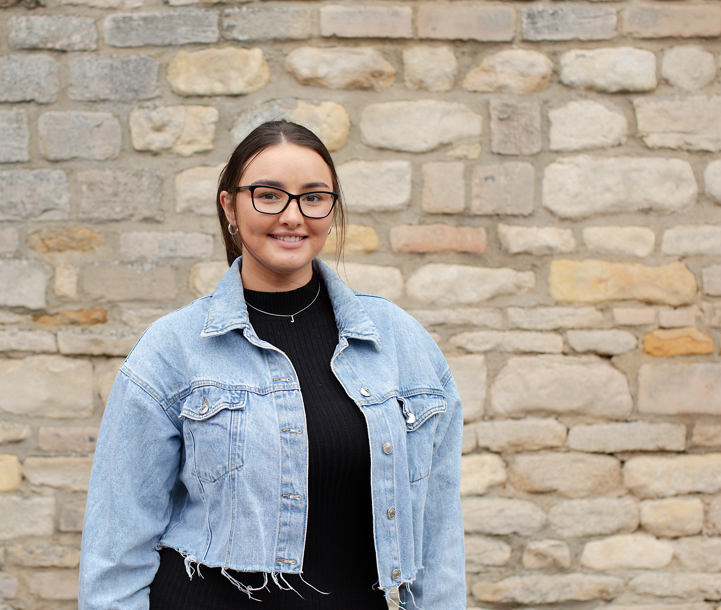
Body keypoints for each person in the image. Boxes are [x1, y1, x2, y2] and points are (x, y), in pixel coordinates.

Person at [79, 120, 465, 610]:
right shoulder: (172, 348)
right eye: (269, 195)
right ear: (230, 207)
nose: (292, 215)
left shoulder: (401, 343)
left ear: (332, 208)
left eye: (313, 197)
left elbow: (439, 535)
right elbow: (117, 548)